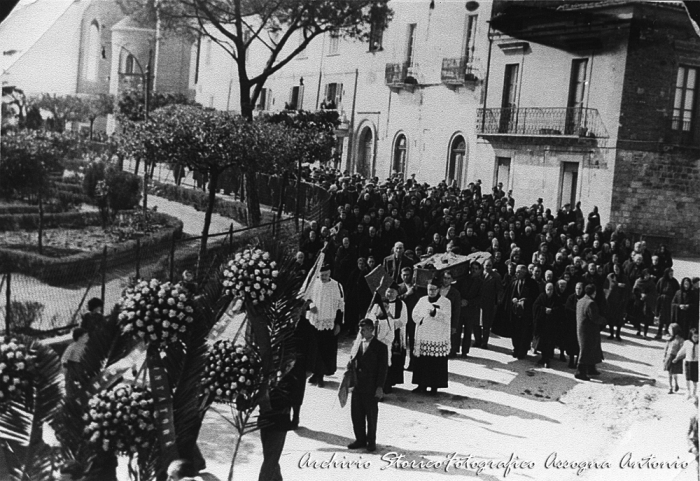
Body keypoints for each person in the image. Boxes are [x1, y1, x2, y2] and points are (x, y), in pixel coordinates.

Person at [347, 318, 388, 453]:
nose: (361, 332)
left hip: (371, 386)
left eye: (363, 329)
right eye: (360, 329)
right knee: (356, 414)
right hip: (358, 385)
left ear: (371, 329)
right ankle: (360, 439)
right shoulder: (357, 344)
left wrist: (380, 387)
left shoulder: (381, 347)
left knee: (371, 415)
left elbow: (383, 369)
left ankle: (371, 441)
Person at [304, 263, 344, 388]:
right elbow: (306, 298)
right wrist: (310, 305)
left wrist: (338, 323)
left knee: (325, 349)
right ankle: (315, 373)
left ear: (330, 273)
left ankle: (321, 375)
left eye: (326, 275)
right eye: (322, 275)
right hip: (314, 322)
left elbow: (341, 306)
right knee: (314, 349)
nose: (324, 277)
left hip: (329, 323)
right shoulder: (314, 284)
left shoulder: (336, 285)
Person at [412, 277, 451, 394]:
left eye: (434, 289)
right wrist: (422, 320)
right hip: (424, 335)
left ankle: (434, 386)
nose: (431, 292)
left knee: (435, 362)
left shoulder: (445, 302)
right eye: (429, 289)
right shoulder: (422, 300)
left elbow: (447, 316)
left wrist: (436, 313)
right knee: (422, 362)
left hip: (437, 336)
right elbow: (414, 314)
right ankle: (421, 385)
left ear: (438, 289)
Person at [366, 283, 407, 393]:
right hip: (376, 339)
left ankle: (389, 383)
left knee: (390, 361)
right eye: (388, 291)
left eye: (393, 292)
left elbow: (404, 319)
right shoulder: (377, 304)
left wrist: (391, 323)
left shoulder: (401, 304)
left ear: (397, 293)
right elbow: (370, 318)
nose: (390, 294)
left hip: (394, 335)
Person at [506, 265, 539, 360]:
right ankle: (516, 348)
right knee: (515, 331)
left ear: (524, 272)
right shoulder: (514, 281)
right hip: (515, 311)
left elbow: (535, 298)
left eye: (518, 272)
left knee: (525, 332)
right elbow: (509, 295)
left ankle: (522, 351)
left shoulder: (532, 283)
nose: (516, 273)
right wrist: (513, 299)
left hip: (526, 312)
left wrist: (526, 300)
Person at [575, 284, 604, 381]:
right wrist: (603, 320)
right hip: (589, 330)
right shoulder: (591, 303)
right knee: (586, 350)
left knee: (589, 349)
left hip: (581, 328)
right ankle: (580, 372)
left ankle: (591, 368)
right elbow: (594, 318)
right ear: (593, 292)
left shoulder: (580, 301)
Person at [533, 282, 563, 368]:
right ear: (545, 290)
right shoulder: (541, 297)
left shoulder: (556, 298)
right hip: (542, 324)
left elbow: (560, 309)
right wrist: (544, 309)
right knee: (542, 342)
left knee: (550, 343)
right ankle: (543, 357)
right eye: (548, 289)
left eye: (551, 289)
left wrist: (552, 310)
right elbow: (535, 306)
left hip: (552, 326)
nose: (550, 291)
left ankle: (547, 359)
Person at [457, 262, 483, 356]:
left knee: (468, 332)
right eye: (472, 268)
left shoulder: (480, 282)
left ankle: (465, 351)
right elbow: (457, 290)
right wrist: (460, 300)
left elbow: (480, 298)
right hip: (461, 308)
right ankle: (455, 350)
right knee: (457, 330)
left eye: (476, 269)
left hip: (471, 310)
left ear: (479, 270)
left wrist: (468, 302)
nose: (473, 270)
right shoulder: (463, 279)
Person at [480, 258, 502, 349]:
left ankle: (484, 342)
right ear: (483, 265)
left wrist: (497, 302)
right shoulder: (480, 274)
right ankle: (478, 340)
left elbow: (499, 290)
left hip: (489, 302)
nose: (488, 267)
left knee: (486, 324)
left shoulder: (496, 276)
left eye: (490, 265)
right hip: (479, 301)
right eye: (486, 265)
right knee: (477, 323)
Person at [604, 263, 630, 341]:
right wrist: (617, 285)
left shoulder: (624, 277)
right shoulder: (610, 276)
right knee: (611, 318)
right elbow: (608, 287)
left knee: (619, 319)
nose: (616, 270)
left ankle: (618, 334)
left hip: (620, 301)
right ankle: (611, 334)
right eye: (615, 269)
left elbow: (628, 288)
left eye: (617, 269)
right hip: (611, 301)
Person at [61, 327, 88, 400]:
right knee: (71, 384)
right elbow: (64, 358)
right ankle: (71, 398)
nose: (88, 338)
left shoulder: (85, 346)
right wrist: (65, 366)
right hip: (73, 367)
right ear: (79, 338)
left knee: (84, 382)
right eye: (85, 336)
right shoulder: (72, 346)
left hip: (82, 366)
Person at [655, 268, 680, 340]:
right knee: (661, 316)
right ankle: (659, 332)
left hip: (670, 301)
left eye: (672, 274)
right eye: (670, 274)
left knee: (669, 317)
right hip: (662, 300)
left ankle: (667, 331)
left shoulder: (674, 281)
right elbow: (657, 290)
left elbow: (677, 291)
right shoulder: (661, 280)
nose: (671, 275)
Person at [663, 323, 684, 394]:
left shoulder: (680, 340)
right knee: (669, 373)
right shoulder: (669, 338)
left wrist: (678, 357)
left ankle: (676, 383)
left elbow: (681, 350)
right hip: (669, 356)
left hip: (676, 357)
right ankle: (670, 387)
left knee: (674, 373)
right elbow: (666, 348)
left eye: (670, 329)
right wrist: (664, 356)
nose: (669, 330)